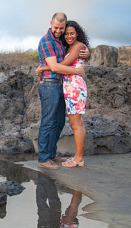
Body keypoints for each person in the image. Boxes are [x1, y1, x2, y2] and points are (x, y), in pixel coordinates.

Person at [36, 12, 89, 170]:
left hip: (62, 85)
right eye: (56, 28)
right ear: (50, 23)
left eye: (62, 28)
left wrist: (87, 52)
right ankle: (44, 158)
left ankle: (52, 154)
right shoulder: (46, 41)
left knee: (59, 122)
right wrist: (45, 68)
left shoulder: (61, 41)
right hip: (49, 84)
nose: (59, 31)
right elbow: (56, 67)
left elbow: (75, 54)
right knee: (48, 122)